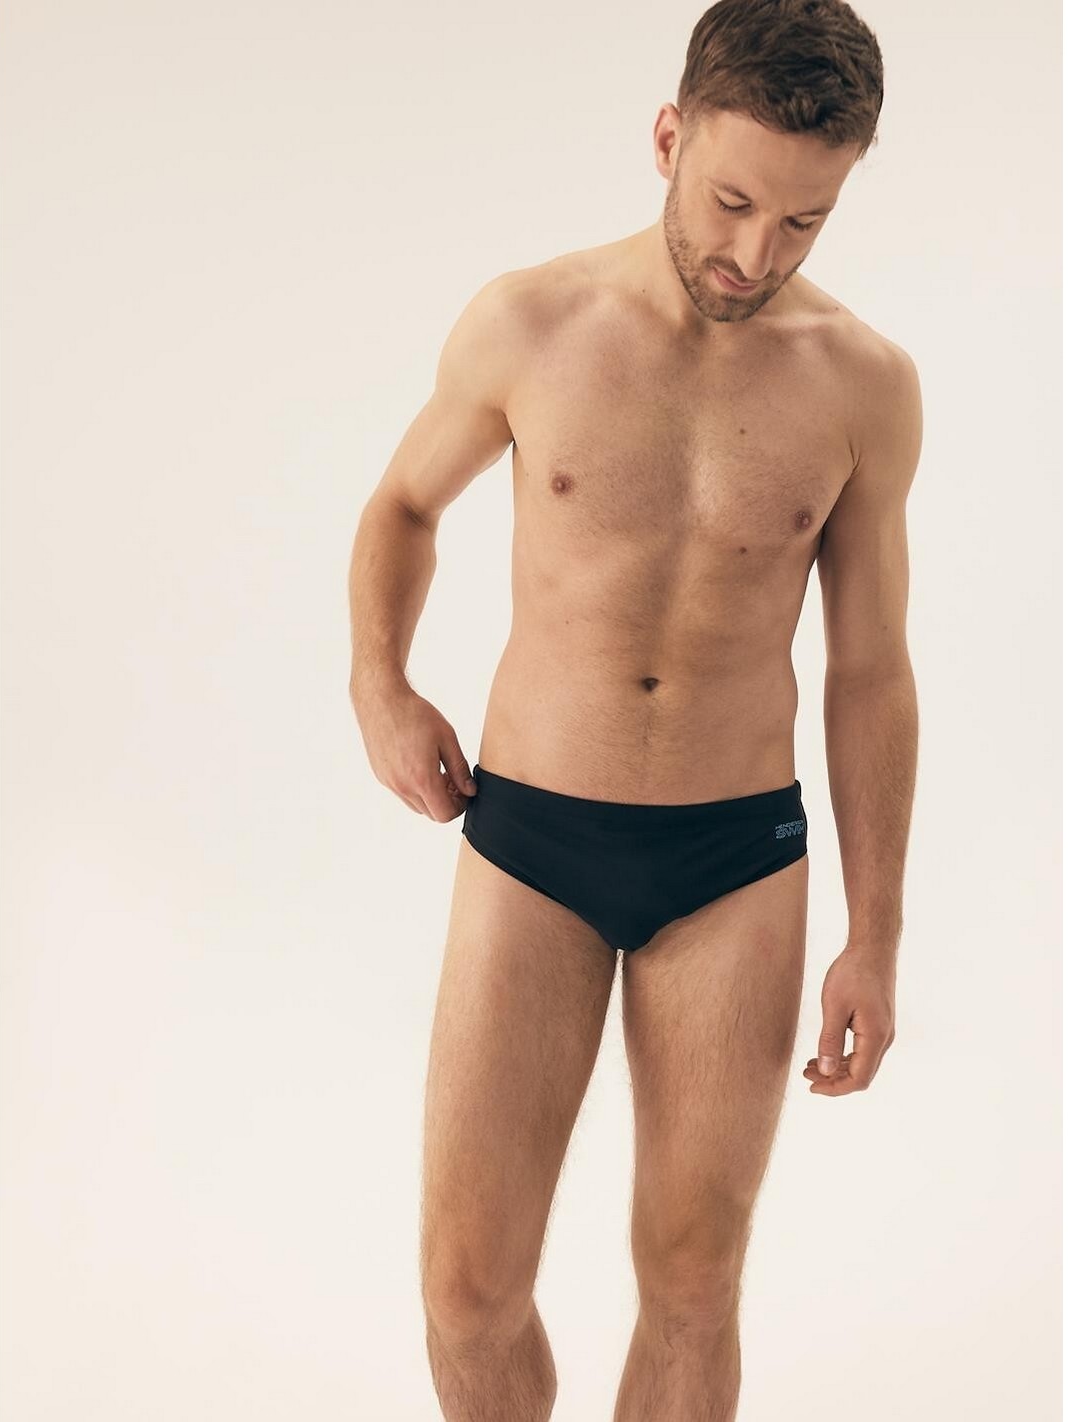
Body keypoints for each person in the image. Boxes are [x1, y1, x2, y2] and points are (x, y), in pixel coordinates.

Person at [348, 0, 920, 1415]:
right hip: (530, 837)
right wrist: (381, 681)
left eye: (803, 223)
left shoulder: (865, 385)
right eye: (731, 203)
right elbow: (405, 505)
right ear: (669, 138)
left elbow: (870, 668)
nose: (755, 256)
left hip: (737, 860)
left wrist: (875, 936)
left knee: (693, 1281)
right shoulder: (529, 323)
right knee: (468, 1288)